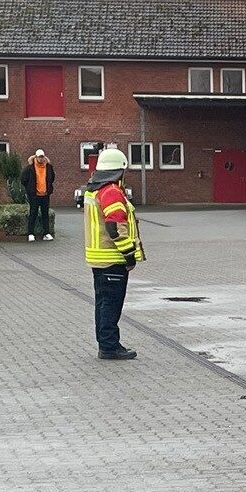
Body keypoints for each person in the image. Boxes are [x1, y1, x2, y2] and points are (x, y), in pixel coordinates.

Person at [83, 148, 145, 360]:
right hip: (112, 258)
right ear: (120, 171)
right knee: (111, 304)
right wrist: (129, 254)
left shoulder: (94, 190)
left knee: (103, 303)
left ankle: (106, 343)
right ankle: (109, 346)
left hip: (99, 259)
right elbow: (115, 227)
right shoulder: (111, 192)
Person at [21, 149, 57, 242]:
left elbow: (52, 177)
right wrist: (30, 189)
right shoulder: (29, 168)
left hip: (45, 194)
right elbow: (23, 179)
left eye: (42, 157)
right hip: (34, 195)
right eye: (39, 157)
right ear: (36, 157)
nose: (41, 159)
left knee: (45, 214)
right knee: (33, 213)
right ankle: (31, 233)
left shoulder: (49, 167)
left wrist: (48, 188)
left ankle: (46, 233)